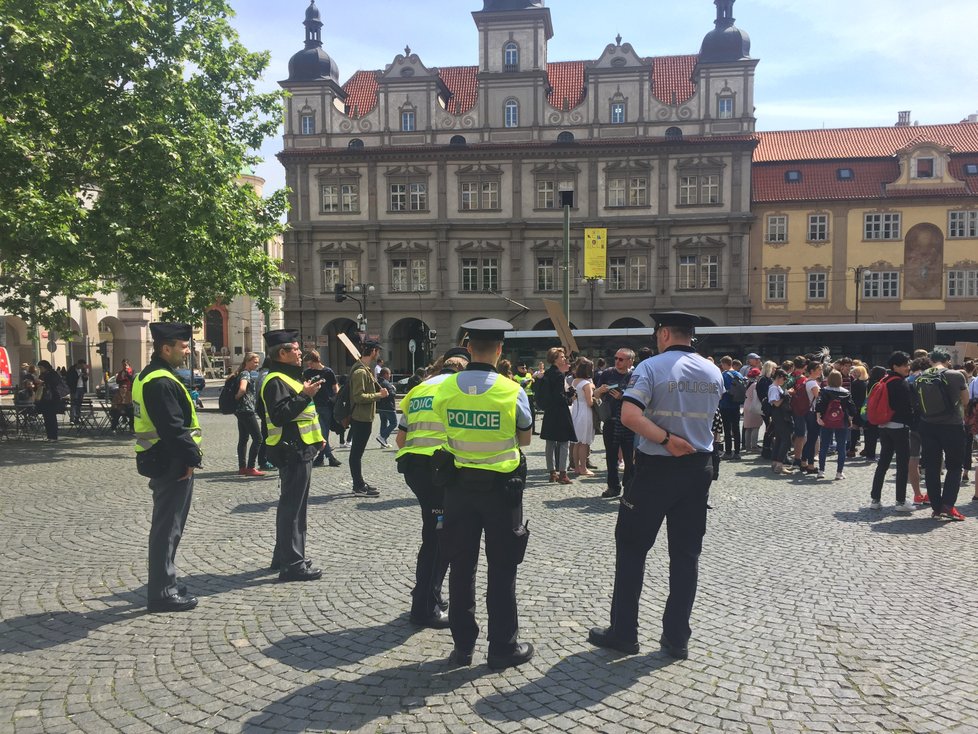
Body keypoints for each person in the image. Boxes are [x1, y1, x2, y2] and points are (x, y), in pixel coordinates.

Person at [588, 311, 722, 660]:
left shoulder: (650, 367)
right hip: (698, 468)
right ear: (690, 336)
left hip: (656, 469)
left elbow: (630, 416)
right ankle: (677, 639)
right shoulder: (713, 370)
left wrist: (665, 439)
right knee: (686, 555)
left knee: (631, 548)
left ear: (663, 334)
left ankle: (624, 633)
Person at [431, 319, 534, 670]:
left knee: (461, 567)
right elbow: (525, 439)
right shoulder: (511, 389)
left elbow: (443, 426)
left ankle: (462, 647)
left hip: (458, 489)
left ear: (468, 347)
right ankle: (502, 648)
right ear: (500, 350)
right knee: (502, 569)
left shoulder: (445, 388)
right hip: (501, 492)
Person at [394, 347, 470, 630]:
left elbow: (401, 439)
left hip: (415, 470)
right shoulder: (459, 391)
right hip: (443, 472)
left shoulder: (419, 389)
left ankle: (427, 594)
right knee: (439, 541)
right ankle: (425, 607)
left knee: (433, 534)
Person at [132, 323, 203, 612]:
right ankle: (162, 593)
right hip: (171, 462)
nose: (187, 351)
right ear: (166, 348)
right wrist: (190, 459)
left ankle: (166, 581)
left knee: (169, 527)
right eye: (183, 347)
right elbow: (173, 429)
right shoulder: (160, 381)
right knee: (167, 529)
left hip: (161, 459)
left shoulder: (148, 376)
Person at [261, 329, 326, 580]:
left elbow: (304, 414)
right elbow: (280, 414)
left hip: (300, 447)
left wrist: (317, 437)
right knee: (293, 508)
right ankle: (292, 564)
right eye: (296, 350)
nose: (301, 353)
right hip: (292, 449)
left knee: (293, 506)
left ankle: (285, 556)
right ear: (282, 353)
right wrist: (305, 395)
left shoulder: (287, 377)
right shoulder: (276, 380)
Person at [913, 348, 969, 521]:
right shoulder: (956, 375)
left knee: (932, 467)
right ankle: (948, 506)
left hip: (927, 425)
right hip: (952, 426)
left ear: (930, 361)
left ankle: (936, 507)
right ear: (947, 360)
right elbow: (966, 401)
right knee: (954, 467)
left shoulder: (920, 377)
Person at [869, 351, 915, 511]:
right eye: (904, 365)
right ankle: (900, 502)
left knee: (883, 463)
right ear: (895, 366)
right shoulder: (901, 383)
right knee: (902, 465)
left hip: (883, 426)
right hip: (899, 427)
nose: (907, 367)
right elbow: (905, 408)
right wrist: (915, 424)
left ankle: (875, 499)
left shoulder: (884, 380)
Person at [593, 348, 636, 498]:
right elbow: (595, 395)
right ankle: (613, 487)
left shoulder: (635, 376)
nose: (617, 361)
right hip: (611, 420)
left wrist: (622, 397)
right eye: (616, 358)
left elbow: (640, 398)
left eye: (621, 359)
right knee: (611, 457)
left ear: (630, 361)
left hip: (629, 421)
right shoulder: (607, 373)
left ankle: (629, 487)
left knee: (630, 458)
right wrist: (601, 390)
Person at [348, 339, 388, 496]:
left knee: (358, 453)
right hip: (360, 417)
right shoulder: (360, 372)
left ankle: (360, 482)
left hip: (364, 417)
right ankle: (358, 486)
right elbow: (358, 397)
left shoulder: (364, 369)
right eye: (377, 351)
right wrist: (380, 395)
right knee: (356, 453)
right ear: (373, 352)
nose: (378, 354)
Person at [538, 347, 576, 484]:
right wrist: (569, 397)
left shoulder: (547, 373)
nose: (564, 359)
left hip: (549, 411)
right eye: (561, 357)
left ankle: (552, 472)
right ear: (555, 359)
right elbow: (559, 396)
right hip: (560, 411)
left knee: (550, 443)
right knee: (564, 442)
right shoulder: (559, 375)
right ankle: (563, 474)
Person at [813, 370, 857, 480]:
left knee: (824, 446)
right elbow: (852, 409)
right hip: (842, 421)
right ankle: (839, 472)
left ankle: (821, 471)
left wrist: (818, 418)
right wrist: (850, 419)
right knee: (841, 447)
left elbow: (819, 405)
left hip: (826, 421)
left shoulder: (823, 391)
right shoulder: (846, 392)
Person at [301, 350, 341, 468]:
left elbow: (335, 386)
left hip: (327, 405)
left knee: (324, 433)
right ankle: (330, 457)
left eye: (309, 363)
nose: (308, 366)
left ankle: (320, 458)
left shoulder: (328, 372)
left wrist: (336, 398)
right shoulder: (307, 372)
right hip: (314, 405)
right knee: (321, 432)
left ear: (315, 361)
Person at [232, 352, 265, 477]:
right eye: (255, 362)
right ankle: (251, 467)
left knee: (243, 438)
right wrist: (237, 397)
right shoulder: (245, 373)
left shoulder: (242, 372)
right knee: (258, 438)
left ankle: (242, 467)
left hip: (240, 410)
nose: (257, 364)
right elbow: (242, 388)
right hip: (246, 409)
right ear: (248, 361)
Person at [570, 357, 596, 476]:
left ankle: (576, 467)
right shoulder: (587, 384)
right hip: (585, 411)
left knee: (576, 442)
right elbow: (590, 402)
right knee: (584, 442)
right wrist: (598, 397)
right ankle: (583, 468)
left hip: (576, 410)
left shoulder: (575, 381)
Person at [767, 369, 794, 474]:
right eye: (784, 378)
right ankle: (779, 464)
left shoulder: (776, 387)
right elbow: (776, 404)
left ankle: (775, 463)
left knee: (779, 439)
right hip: (779, 415)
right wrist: (785, 395)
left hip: (779, 415)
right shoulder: (774, 388)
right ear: (778, 377)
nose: (785, 380)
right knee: (786, 440)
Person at [35, 360, 68, 441]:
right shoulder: (42, 375)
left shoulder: (53, 373)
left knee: (51, 418)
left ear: (46, 367)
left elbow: (54, 384)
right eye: (39, 368)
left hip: (52, 399)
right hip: (44, 399)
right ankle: (49, 436)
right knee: (46, 418)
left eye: (41, 367)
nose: (40, 369)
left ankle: (53, 436)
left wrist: (43, 383)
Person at [718, 356, 743, 458]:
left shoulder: (723, 375)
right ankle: (737, 452)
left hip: (725, 404)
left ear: (724, 364)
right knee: (736, 428)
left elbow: (720, 390)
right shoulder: (739, 374)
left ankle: (728, 452)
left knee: (727, 429)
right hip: (736, 404)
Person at [375, 367, 397, 448]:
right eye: (389, 374)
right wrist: (394, 389)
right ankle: (382, 437)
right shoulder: (386, 383)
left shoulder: (378, 382)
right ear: (386, 374)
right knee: (394, 423)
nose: (390, 376)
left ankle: (383, 443)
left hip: (380, 406)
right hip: (389, 406)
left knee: (383, 423)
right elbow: (392, 394)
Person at [65, 359, 88, 424]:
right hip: (74, 389)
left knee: (79, 404)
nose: (82, 367)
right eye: (82, 365)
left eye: (83, 366)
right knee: (73, 404)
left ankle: (77, 419)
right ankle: (72, 419)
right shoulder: (72, 369)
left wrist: (84, 376)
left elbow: (86, 379)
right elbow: (69, 379)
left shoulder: (83, 370)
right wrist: (78, 376)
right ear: (78, 364)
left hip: (81, 388)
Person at [514, 364, 536, 434]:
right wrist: (525, 383)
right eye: (522, 368)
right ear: (518, 369)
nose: (524, 369)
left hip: (530, 396)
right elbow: (517, 388)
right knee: (523, 414)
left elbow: (533, 385)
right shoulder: (515, 377)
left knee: (533, 413)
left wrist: (533, 380)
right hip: (521, 397)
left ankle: (533, 430)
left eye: (525, 368)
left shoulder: (529, 375)